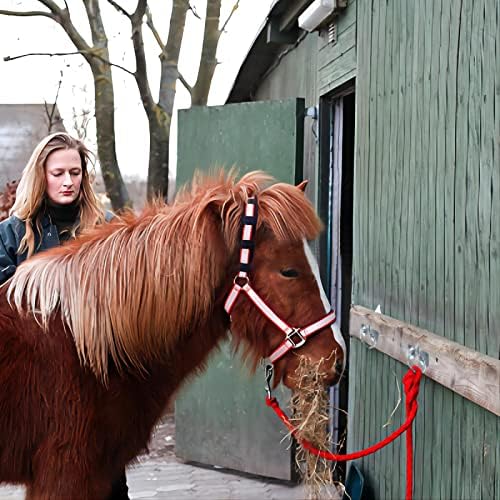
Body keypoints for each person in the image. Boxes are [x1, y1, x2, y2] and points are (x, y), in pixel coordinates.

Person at [0, 132, 129, 500]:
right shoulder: (12, 233)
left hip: (97, 382)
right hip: (35, 383)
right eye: (58, 173)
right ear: (41, 175)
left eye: (75, 172)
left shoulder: (107, 229)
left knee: (109, 483)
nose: (68, 181)